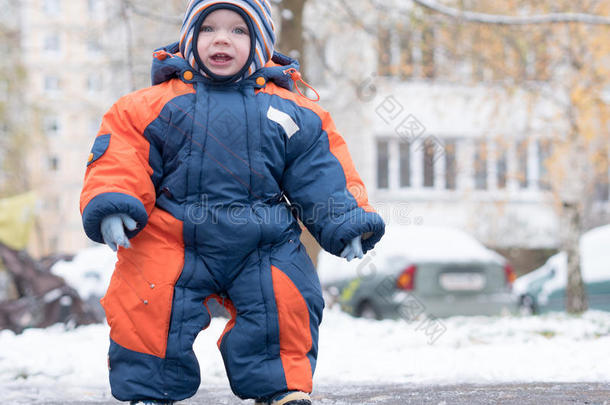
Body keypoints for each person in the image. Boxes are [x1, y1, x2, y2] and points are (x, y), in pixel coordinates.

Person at [80, 1, 385, 404]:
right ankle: (151, 390)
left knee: (288, 298)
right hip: (172, 236)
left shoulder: (291, 109)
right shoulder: (149, 106)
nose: (222, 38)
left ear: (260, 45)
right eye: (208, 29)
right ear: (190, 40)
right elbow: (122, 154)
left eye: (239, 31)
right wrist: (114, 202)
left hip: (263, 240)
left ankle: (281, 388)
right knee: (144, 298)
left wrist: (345, 220)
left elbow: (321, 170)